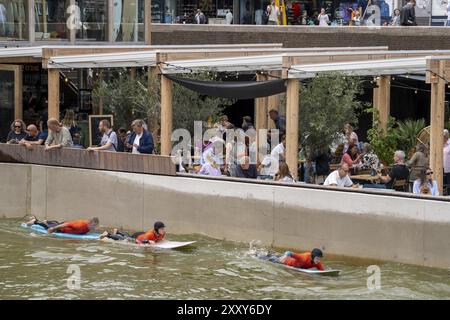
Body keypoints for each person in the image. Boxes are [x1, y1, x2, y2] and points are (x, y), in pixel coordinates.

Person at [100, 221, 166, 245]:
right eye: (161, 229)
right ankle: (107, 234)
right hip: (138, 237)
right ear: (157, 229)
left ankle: (117, 231)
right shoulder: (150, 235)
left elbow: (160, 239)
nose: (163, 230)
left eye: (163, 228)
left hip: (142, 234)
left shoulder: (163, 233)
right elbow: (139, 241)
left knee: (128, 236)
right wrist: (148, 242)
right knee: (124, 239)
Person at [25, 216, 99, 235]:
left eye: (96, 225)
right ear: (90, 223)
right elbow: (65, 225)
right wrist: (53, 229)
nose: (95, 227)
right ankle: (35, 221)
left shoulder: (89, 227)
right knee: (47, 227)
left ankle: (47, 221)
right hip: (61, 229)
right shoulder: (80, 224)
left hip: (66, 225)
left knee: (56, 222)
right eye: (94, 225)